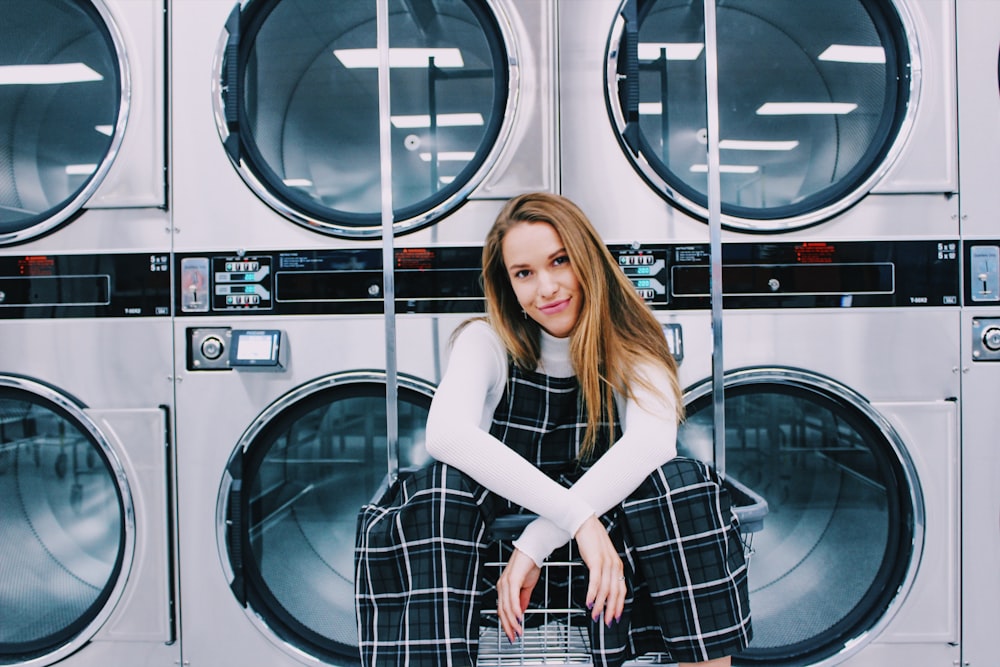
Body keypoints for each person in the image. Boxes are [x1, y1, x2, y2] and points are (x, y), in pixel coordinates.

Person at [355, 192, 751, 667]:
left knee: (679, 482)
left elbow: (652, 444)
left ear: (587, 258)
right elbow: (445, 435)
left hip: (603, 566)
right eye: (524, 273)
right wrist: (575, 521)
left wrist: (542, 540)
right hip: (488, 565)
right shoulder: (485, 342)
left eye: (559, 261)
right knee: (439, 490)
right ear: (508, 286)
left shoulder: (633, 344)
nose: (546, 287)